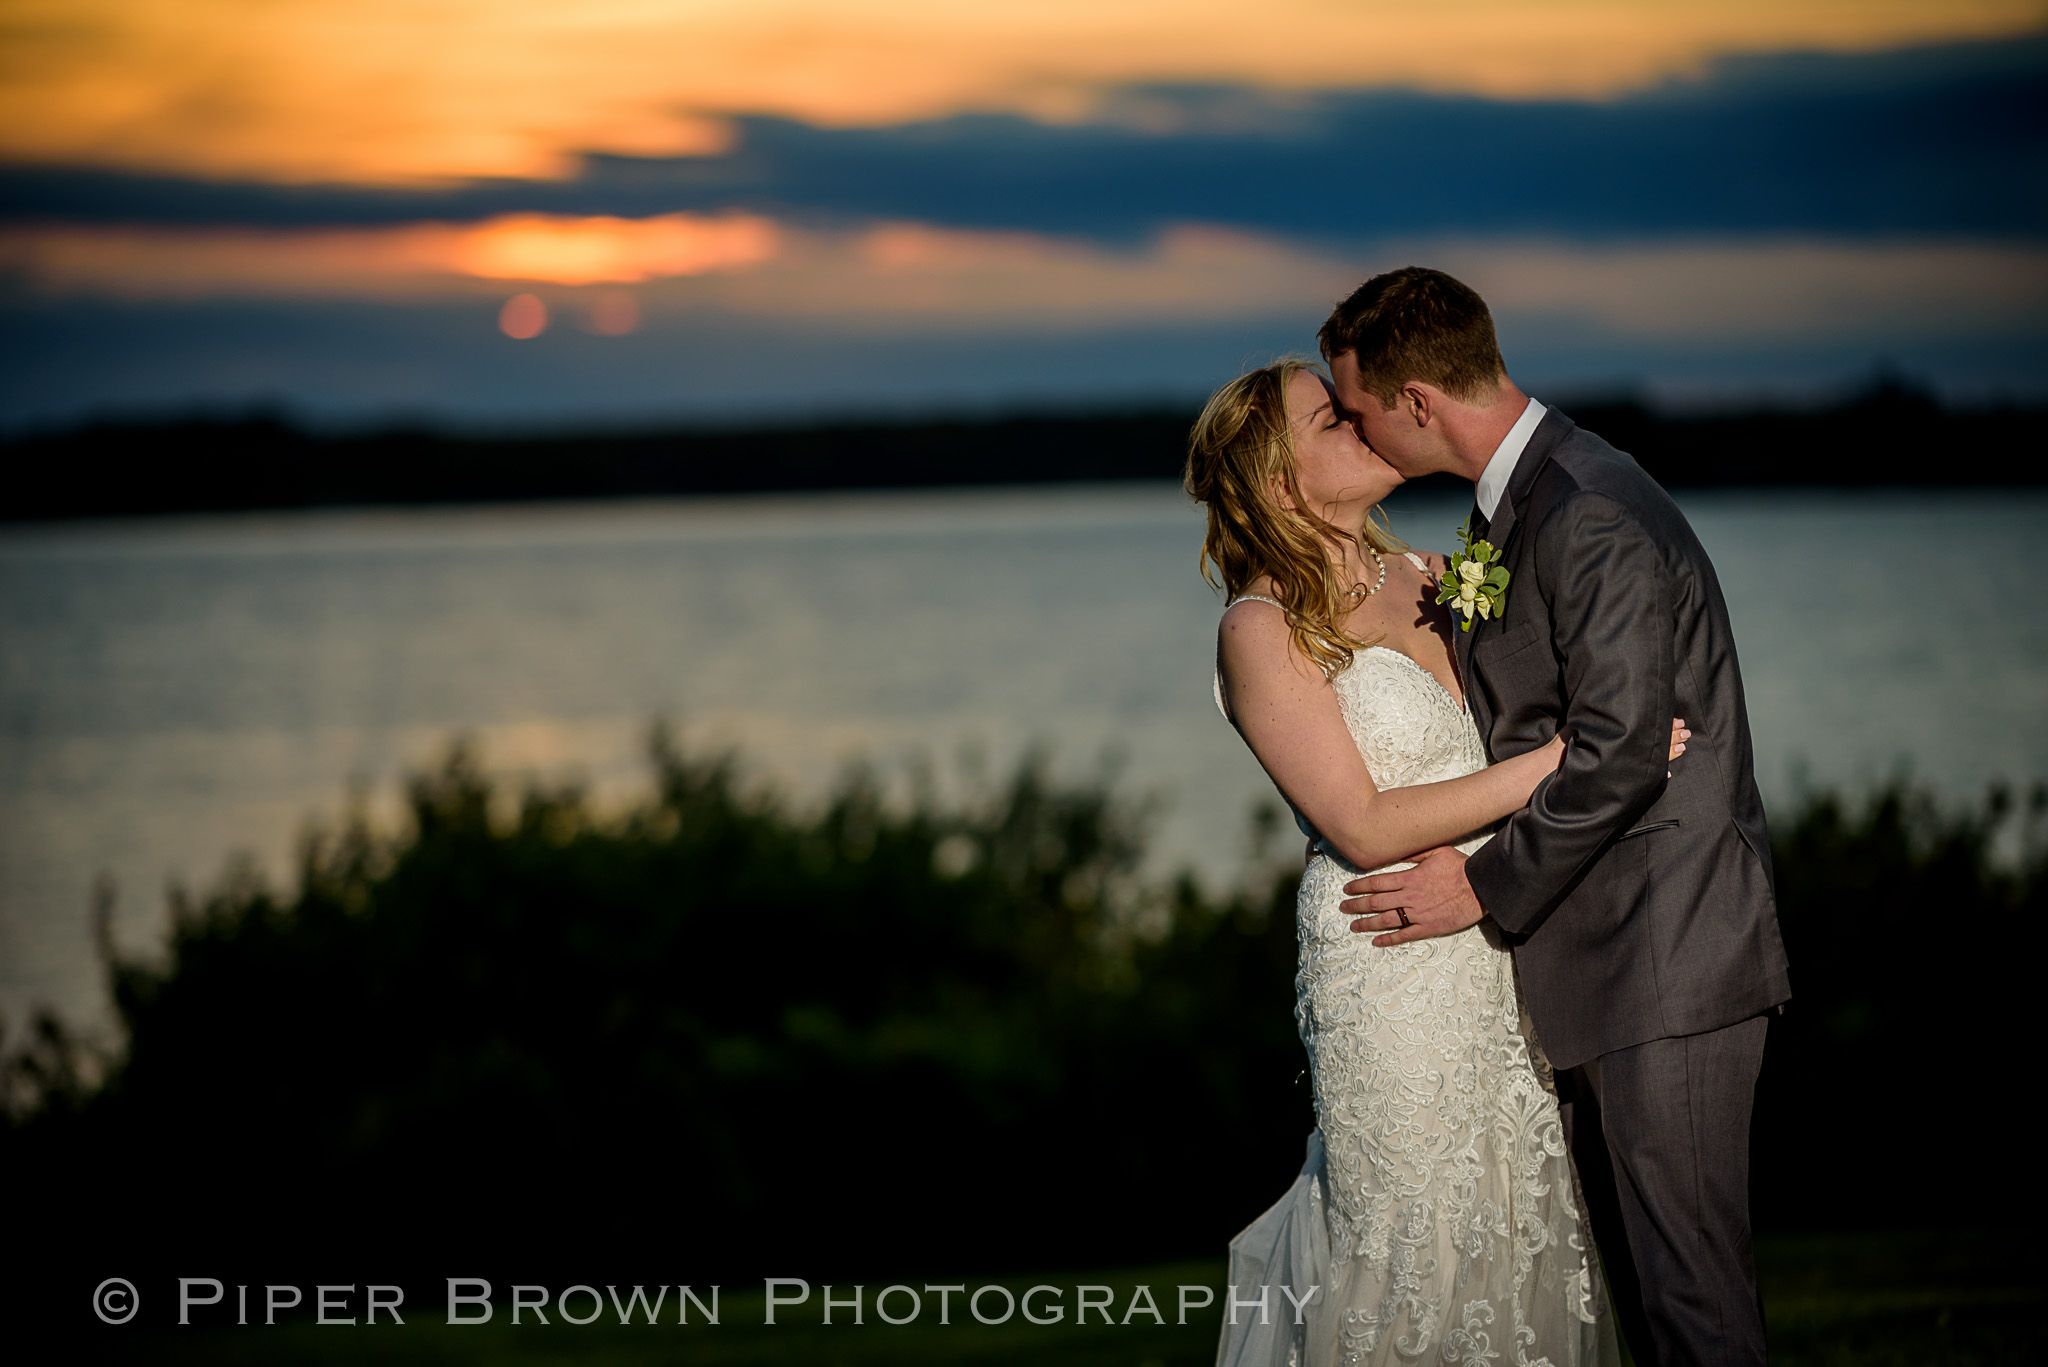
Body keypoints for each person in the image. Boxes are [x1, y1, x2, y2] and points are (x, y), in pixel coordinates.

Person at [1322, 268, 1792, 1367]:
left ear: (1418, 404)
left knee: (1693, 1305)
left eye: (1356, 408)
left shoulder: (1585, 510)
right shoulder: (1525, 503)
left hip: (1665, 954)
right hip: (1607, 957)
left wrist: (1479, 885)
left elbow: (1624, 746)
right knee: (1648, 1301)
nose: (1352, 426)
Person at [1189, 357, 1677, 1366]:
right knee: (1412, 1231)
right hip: (1391, 945)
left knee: (1521, 1216)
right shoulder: (1260, 626)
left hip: (1501, 933)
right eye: (1331, 417)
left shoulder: (1432, 575)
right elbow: (1362, 821)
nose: (1364, 418)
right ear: (1281, 481)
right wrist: (1568, 758)